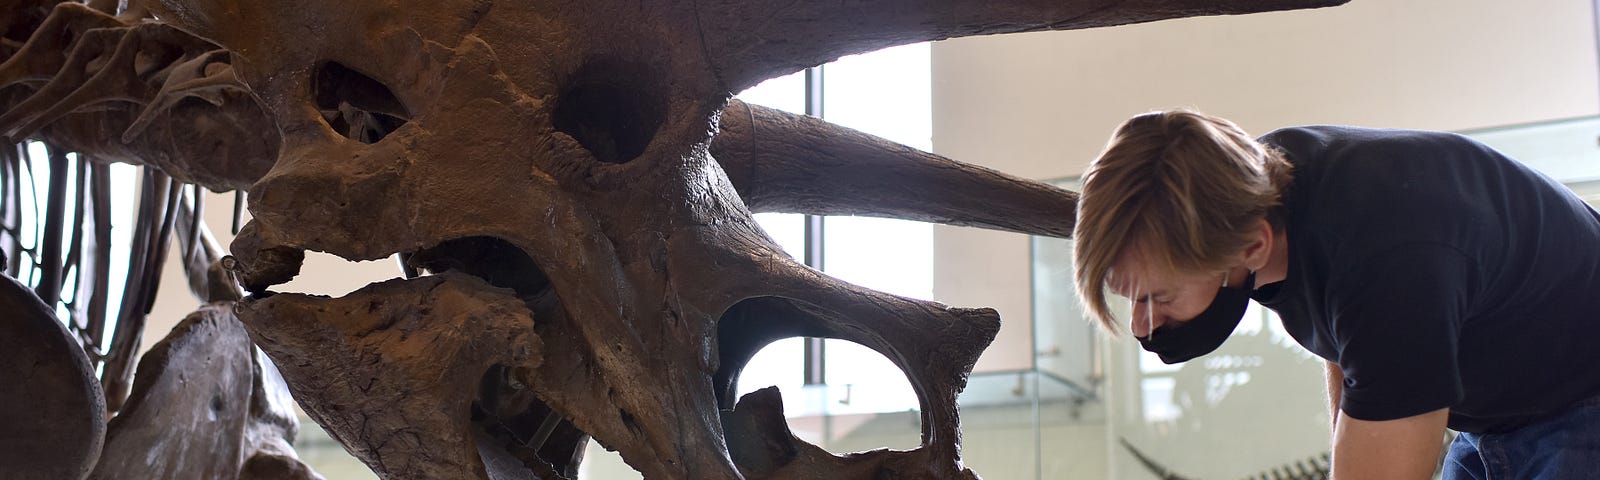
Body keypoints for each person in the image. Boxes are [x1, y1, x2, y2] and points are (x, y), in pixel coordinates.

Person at [1072, 109, 1600, 479]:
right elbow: (1349, 348)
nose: (1142, 325)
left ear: (1251, 248)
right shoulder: (1260, 195)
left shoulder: (1383, 250)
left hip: (1580, 400)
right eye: (1128, 297)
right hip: (1494, 413)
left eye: (1158, 297)